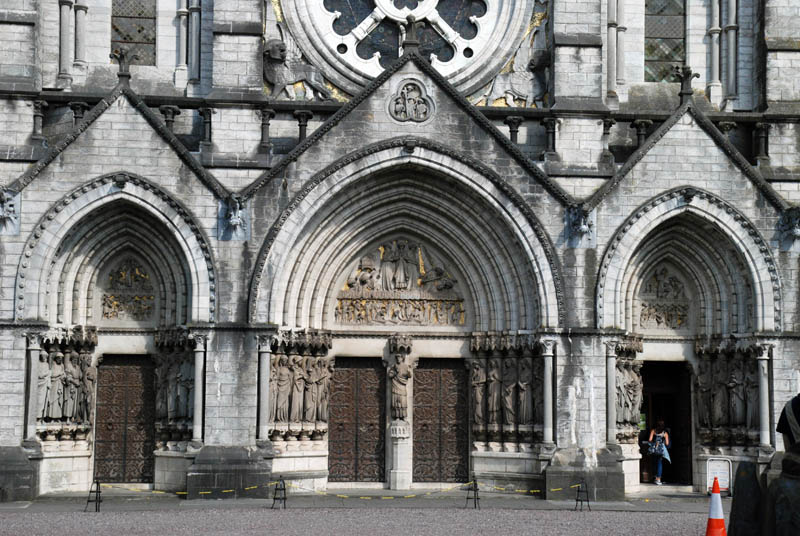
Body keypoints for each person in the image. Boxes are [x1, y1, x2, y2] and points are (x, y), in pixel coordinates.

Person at [647, 418, 671, 485]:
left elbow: (650, 440)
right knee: (660, 463)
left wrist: (655, 442)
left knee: (654, 463)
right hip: (661, 450)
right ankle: (659, 479)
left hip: (654, 449)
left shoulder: (653, 431)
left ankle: (654, 477)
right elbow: (667, 443)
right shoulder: (665, 433)